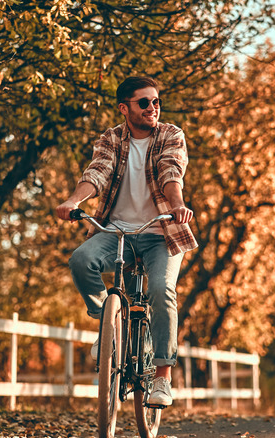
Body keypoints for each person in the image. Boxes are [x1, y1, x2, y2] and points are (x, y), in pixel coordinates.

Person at [56, 76, 197, 407]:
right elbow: (97, 173)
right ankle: (109, 328)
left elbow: (170, 171)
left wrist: (177, 205)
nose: (153, 108)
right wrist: (74, 201)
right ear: (124, 108)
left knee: (162, 290)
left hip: (161, 232)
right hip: (116, 232)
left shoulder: (170, 135)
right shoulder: (112, 139)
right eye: (144, 102)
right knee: (80, 260)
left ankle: (162, 377)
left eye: (156, 102)